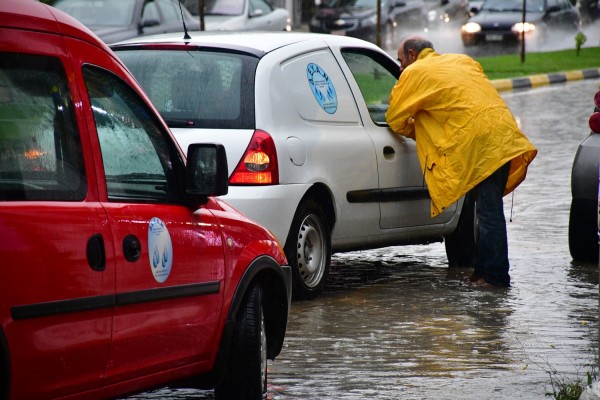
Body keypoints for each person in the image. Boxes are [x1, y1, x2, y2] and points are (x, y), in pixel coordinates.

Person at [385, 36, 537, 288]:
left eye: (400, 61)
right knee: (485, 211)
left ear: (412, 55)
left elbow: (395, 117)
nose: (400, 68)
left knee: (488, 214)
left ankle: (496, 277)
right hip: (503, 135)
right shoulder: (462, 61)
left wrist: (421, 128)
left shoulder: (415, 72)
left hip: (481, 145)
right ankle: (482, 272)